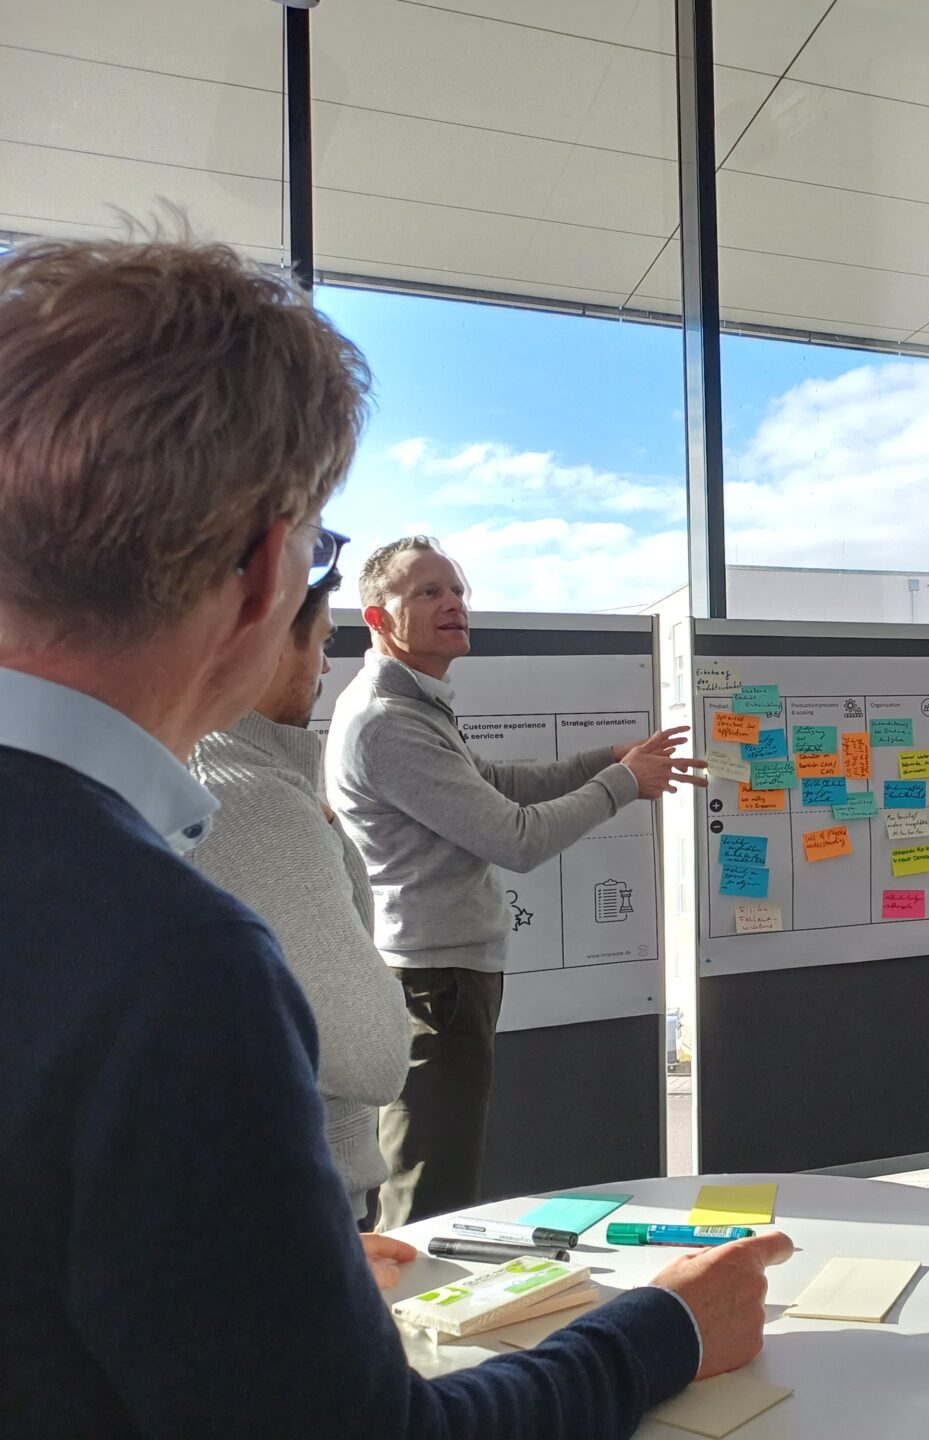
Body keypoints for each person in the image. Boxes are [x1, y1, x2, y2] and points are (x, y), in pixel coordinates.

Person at [0, 234, 789, 1437]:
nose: (454, 605)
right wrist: (664, 1330)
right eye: (323, 554)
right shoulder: (173, 963)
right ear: (268, 575)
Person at [326, 536, 706, 1228]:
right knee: (431, 1193)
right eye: (427, 592)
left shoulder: (415, 704)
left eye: (456, 589)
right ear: (378, 619)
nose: (453, 603)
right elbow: (516, 838)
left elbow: (495, 783)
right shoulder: (388, 721)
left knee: (437, 1172)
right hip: (433, 984)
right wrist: (624, 782)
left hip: (442, 974)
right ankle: (416, 1298)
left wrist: (606, 759)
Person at [189, 566, 412, 1229]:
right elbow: (371, 1054)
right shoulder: (251, 799)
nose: (324, 665)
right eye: (320, 640)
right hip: (290, 1206)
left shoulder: (203, 773)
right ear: (266, 637)